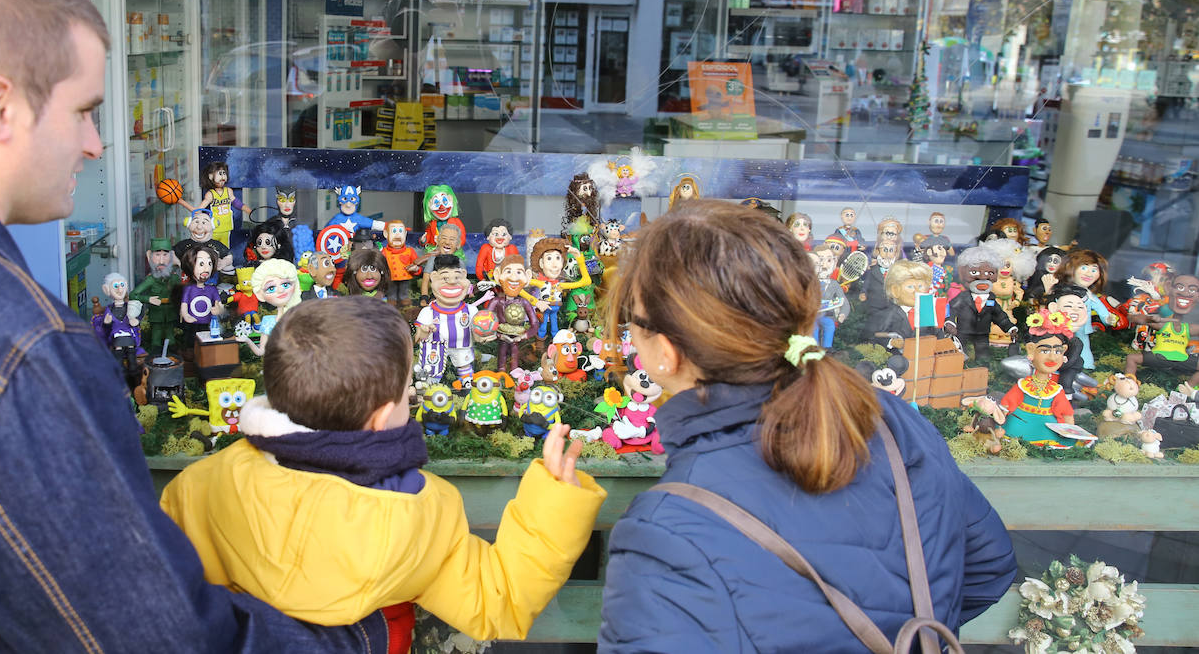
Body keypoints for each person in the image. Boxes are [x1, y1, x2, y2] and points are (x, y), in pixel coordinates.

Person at [0, 0, 385, 649]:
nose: (94, 145)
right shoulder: (17, 350)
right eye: (84, 111)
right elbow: (156, 635)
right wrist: (354, 638)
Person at [597, 201, 1016, 651]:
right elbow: (987, 567)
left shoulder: (665, 533)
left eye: (633, 321)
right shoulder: (889, 418)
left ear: (665, 350)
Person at [161, 297, 606, 648]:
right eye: (406, 387)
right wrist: (555, 498)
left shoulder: (201, 484)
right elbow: (499, 600)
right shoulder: (417, 510)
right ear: (381, 416)